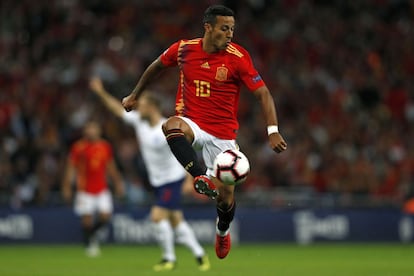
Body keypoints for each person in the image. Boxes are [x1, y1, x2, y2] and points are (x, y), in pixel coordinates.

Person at [122, 5, 288, 259]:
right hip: (193, 123)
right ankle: (200, 177)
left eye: (232, 28)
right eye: (224, 28)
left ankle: (222, 231)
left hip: (222, 135)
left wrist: (273, 130)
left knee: (225, 199)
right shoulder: (183, 49)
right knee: (171, 125)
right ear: (208, 27)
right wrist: (135, 95)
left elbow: (263, 93)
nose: (230, 33)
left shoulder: (238, 57)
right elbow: (156, 66)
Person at [89, 77, 211, 271]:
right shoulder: (139, 121)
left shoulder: (168, 127)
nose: (138, 108)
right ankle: (200, 255)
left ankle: (169, 258)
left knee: (156, 217)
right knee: (176, 220)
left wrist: (191, 178)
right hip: (158, 181)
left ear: (153, 107)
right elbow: (117, 110)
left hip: (172, 179)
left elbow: (188, 151)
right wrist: (100, 92)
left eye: (143, 104)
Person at [62, 120, 124, 257]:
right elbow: (71, 167)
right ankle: (89, 244)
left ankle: (90, 237)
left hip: (102, 188)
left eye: (93, 128)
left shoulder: (105, 146)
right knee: (87, 219)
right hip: (84, 189)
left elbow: (111, 167)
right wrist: (66, 186)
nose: (90, 131)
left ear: (99, 131)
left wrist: (118, 183)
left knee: (105, 216)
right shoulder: (78, 147)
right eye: (88, 128)